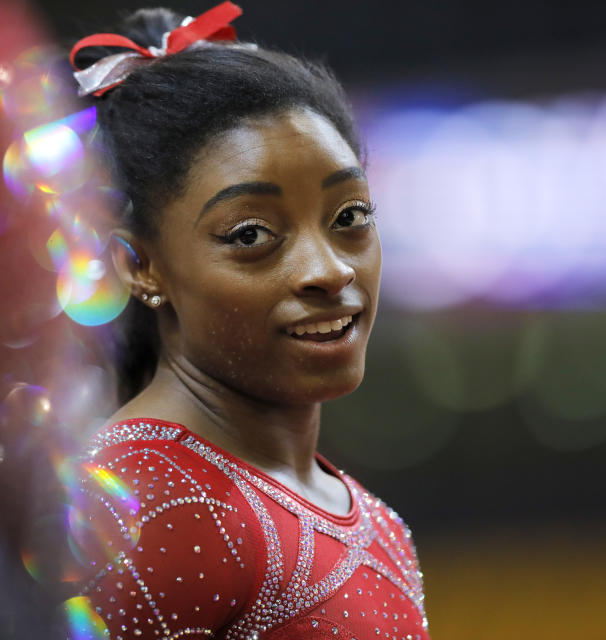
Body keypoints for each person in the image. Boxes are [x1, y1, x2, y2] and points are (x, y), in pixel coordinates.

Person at [68, 3, 429, 638]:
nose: (328, 270)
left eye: (349, 218)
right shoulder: (154, 499)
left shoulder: (378, 523)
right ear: (139, 266)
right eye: (252, 234)